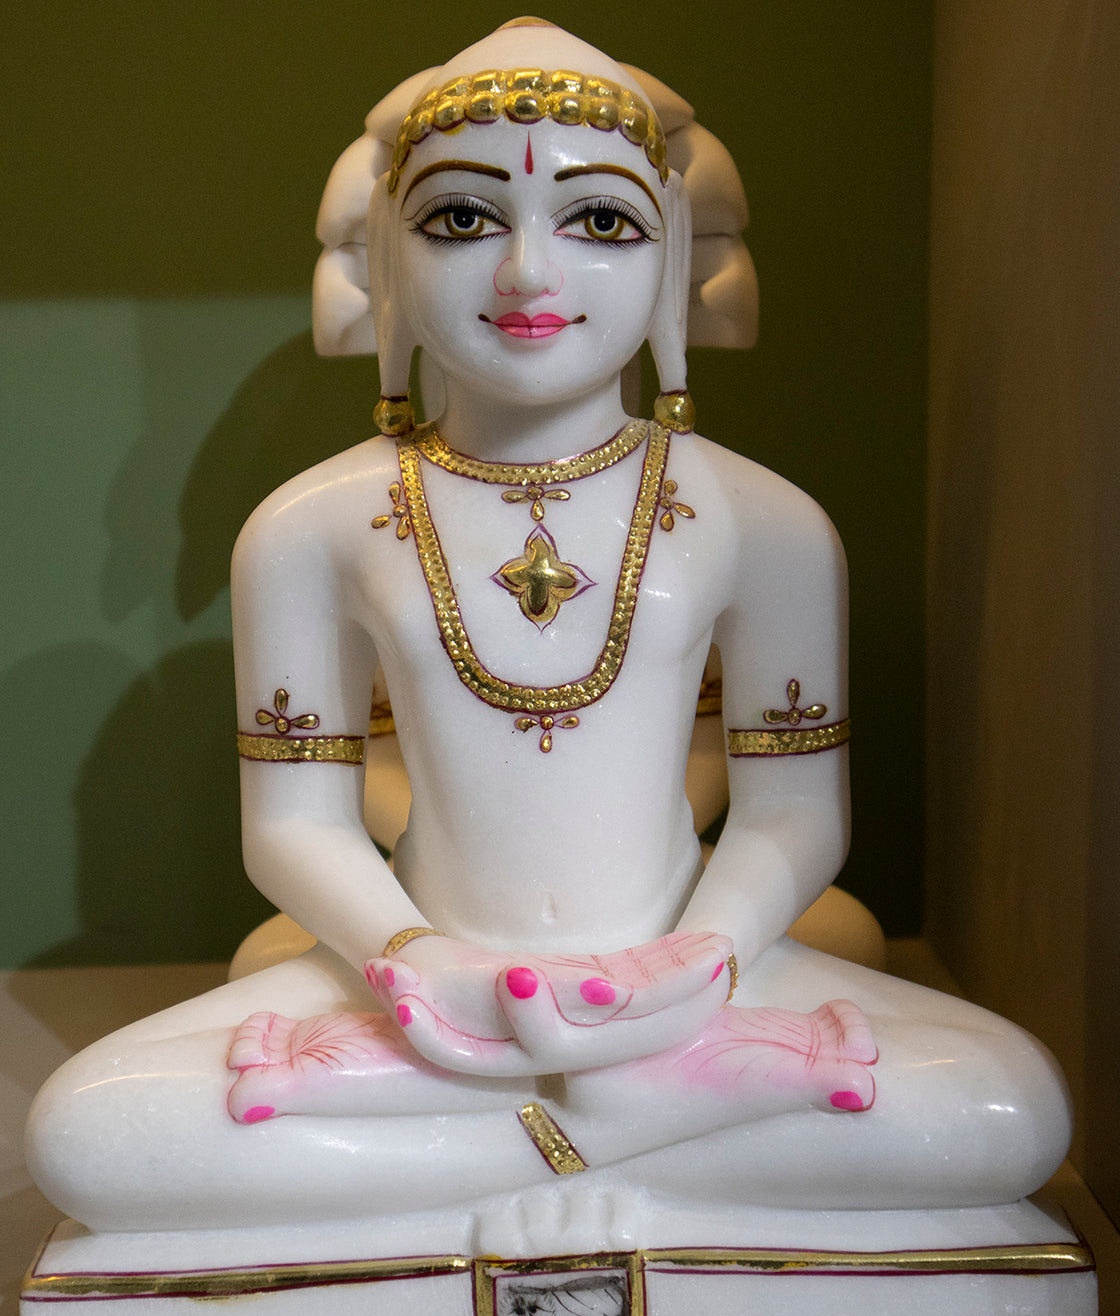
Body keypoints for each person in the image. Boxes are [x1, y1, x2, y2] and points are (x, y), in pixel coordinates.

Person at [26, 20, 1070, 1237]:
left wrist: (694, 964)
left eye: (601, 222)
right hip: (418, 987)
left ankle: (493, 1139)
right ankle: (633, 1129)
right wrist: (419, 962)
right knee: (82, 1132)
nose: (527, 273)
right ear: (388, 257)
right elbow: (293, 827)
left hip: (690, 978)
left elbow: (794, 812)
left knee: (1010, 1107)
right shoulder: (309, 528)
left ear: (670, 257)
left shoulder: (764, 520)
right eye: (462, 219)